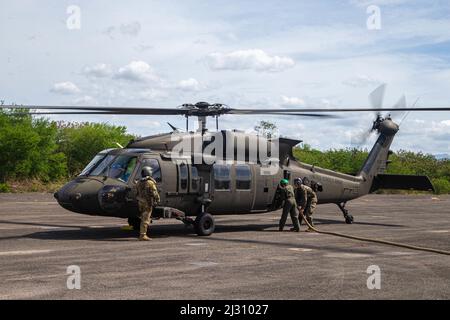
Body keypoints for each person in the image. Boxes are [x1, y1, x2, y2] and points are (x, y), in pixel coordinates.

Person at [136, 166, 160, 241]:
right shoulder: (150, 182)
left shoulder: (139, 182)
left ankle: (142, 233)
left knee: (142, 218)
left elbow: (136, 193)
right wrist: (157, 199)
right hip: (147, 203)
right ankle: (143, 235)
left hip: (140, 202)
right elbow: (154, 193)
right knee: (145, 219)